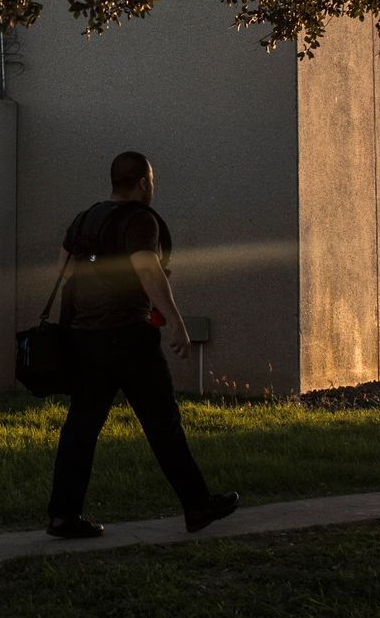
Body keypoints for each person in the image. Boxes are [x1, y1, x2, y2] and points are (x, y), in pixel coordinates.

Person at [44, 151, 238, 539]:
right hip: (129, 338)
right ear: (144, 182)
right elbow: (147, 268)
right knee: (163, 423)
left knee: (81, 427)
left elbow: (63, 267)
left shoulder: (85, 218)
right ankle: (198, 507)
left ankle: (63, 515)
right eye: (152, 180)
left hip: (85, 338)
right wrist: (176, 322)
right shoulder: (140, 220)